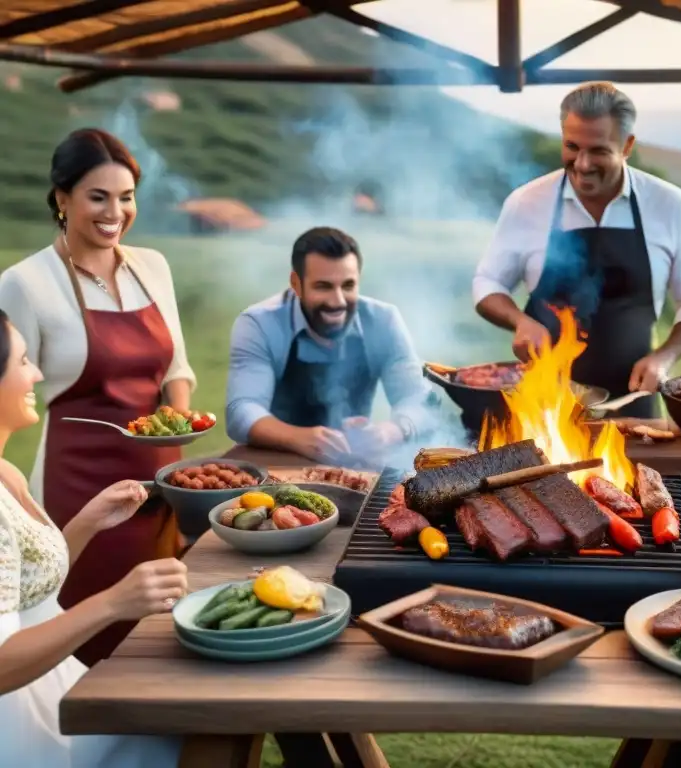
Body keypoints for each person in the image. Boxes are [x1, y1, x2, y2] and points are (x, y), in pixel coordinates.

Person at [0, 129, 196, 666]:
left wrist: (177, 411)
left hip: (160, 488)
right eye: (98, 197)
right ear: (62, 199)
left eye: (126, 196)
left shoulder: (152, 265)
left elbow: (176, 364)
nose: (116, 212)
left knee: (159, 643)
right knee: (83, 646)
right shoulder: (24, 283)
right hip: (79, 491)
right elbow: (7, 389)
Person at [0, 309, 187, 767]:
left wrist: (86, 523)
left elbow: (24, 590)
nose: (38, 373)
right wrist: (114, 603)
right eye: (23, 362)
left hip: (58, 689)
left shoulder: (5, 471)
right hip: (26, 729)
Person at [472, 81, 681, 418]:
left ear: (627, 145)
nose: (583, 163)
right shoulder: (527, 202)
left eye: (599, 151)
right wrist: (519, 321)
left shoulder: (670, 205)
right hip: (545, 408)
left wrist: (665, 357)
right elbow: (488, 283)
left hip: (634, 402)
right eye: (572, 146)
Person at [225, 226, 438, 465]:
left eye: (348, 286)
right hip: (274, 465)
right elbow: (240, 410)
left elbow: (420, 402)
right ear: (296, 283)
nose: (337, 301)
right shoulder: (260, 323)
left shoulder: (383, 320)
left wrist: (390, 431)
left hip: (353, 467)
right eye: (323, 286)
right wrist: (297, 438)